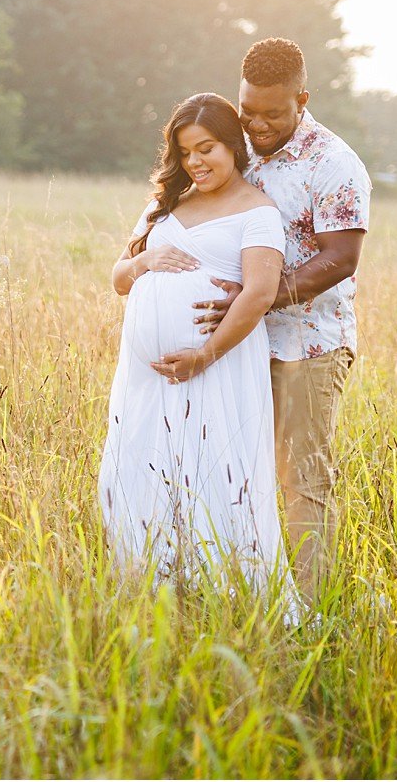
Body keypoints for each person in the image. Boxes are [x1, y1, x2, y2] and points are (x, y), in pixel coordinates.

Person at [98, 92, 298, 614]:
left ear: (233, 145)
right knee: (145, 468)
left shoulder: (258, 212)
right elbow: (118, 278)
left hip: (216, 369)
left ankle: (225, 596)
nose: (196, 162)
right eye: (186, 152)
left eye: (206, 148)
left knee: (212, 471)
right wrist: (147, 261)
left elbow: (258, 293)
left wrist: (204, 355)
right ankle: (153, 587)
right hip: (146, 379)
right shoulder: (164, 206)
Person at [193, 37, 371, 604]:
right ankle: (247, 592)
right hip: (242, 344)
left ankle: (309, 611)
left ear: (303, 98)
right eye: (248, 110)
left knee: (302, 480)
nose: (257, 124)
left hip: (309, 347)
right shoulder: (238, 147)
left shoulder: (334, 163)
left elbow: (340, 259)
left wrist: (256, 298)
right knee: (236, 470)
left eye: (273, 113)